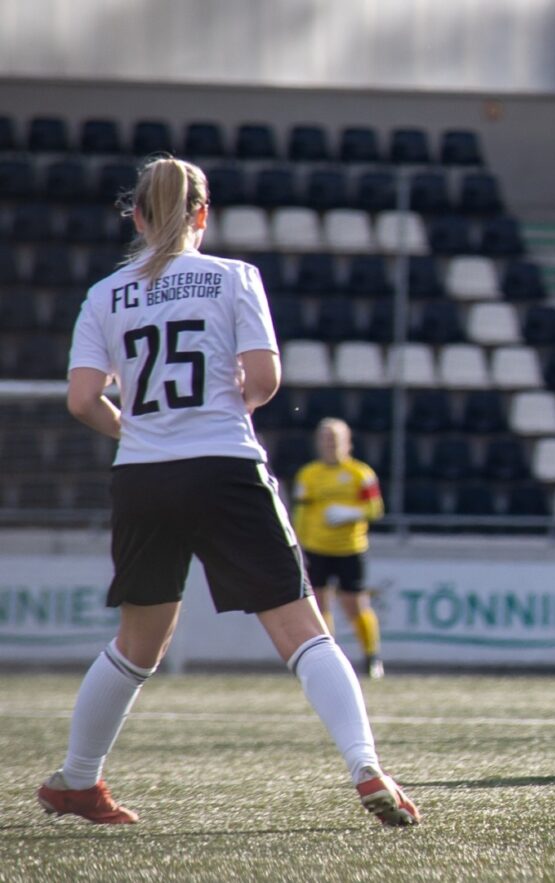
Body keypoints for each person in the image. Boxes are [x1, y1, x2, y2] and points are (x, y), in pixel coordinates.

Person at [37, 156, 418, 827]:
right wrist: (218, 407)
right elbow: (263, 379)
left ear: (138, 216)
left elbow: (80, 400)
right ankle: (365, 765)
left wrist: (133, 427)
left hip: (142, 475)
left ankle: (76, 778)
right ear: (202, 215)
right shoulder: (233, 277)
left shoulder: (104, 293)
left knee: (136, 642)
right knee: (302, 630)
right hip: (222, 463)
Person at [293, 418, 387, 679]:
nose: (329, 444)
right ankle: (329, 659)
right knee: (319, 604)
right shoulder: (309, 475)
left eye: (334, 439)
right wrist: (298, 540)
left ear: (347, 442)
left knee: (354, 605)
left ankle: (372, 657)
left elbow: (375, 509)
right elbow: (300, 511)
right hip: (316, 549)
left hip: (349, 548)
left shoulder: (361, 474)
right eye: (325, 439)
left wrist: (349, 513)